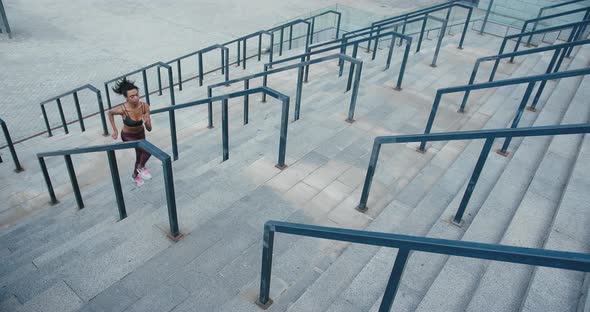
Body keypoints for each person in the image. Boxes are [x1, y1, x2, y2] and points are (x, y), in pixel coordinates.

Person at [107, 78, 153, 186]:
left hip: (141, 133)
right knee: (147, 151)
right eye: (132, 96)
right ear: (126, 97)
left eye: (137, 95)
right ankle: (141, 168)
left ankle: (135, 176)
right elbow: (110, 113)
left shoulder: (144, 106)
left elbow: (149, 129)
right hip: (128, 136)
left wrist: (146, 122)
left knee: (139, 155)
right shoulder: (122, 109)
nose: (136, 98)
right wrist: (115, 130)